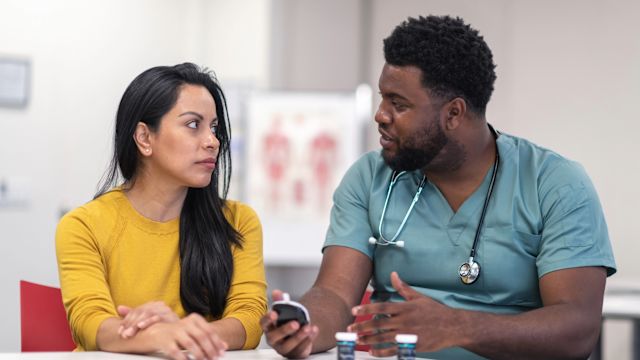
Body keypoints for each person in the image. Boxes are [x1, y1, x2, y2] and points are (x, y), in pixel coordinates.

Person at [260, 15, 616, 359]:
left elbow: (577, 329)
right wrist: (304, 328)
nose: (380, 115)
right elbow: (334, 294)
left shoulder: (554, 184)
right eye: (383, 98)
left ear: (454, 114)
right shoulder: (370, 177)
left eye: (398, 104)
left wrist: (460, 327)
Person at [56, 63, 267, 360]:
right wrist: (159, 336)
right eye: (193, 125)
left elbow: (250, 319)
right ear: (144, 138)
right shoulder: (83, 225)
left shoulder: (238, 221)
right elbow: (91, 325)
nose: (213, 141)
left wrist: (178, 333)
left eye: (215, 128)